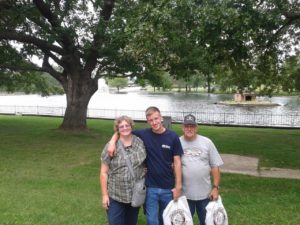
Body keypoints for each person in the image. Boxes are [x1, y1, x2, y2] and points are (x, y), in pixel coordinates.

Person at [107, 106, 183, 225]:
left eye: (156, 118)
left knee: (166, 218)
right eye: (151, 120)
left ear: (161, 117)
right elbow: (123, 130)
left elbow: (177, 162)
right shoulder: (144, 134)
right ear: (148, 121)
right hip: (150, 187)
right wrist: (112, 142)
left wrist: (178, 186)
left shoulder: (173, 137)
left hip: (168, 187)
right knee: (152, 220)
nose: (154, 122)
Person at [100, 115, 146, 225]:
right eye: (121, 126)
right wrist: (105, 195)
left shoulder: (139, 142)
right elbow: (103, 172)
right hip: (116, 195)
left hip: (135, 195)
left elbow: (144, 161)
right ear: (117, 129)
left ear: (131, 126)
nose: (125, 128)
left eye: (127, 125)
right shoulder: (111, 146)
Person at [180, 114, 224, 225]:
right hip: (184, 195)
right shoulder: (177, 142)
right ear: (182, 127)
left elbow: (215, 166)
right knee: (183, 222)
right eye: (187, 126)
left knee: (206, 222)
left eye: (192, 126)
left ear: (196, 127)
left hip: (205, 194)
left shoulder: (207, 142)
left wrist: (215, 188)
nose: (189, 129)